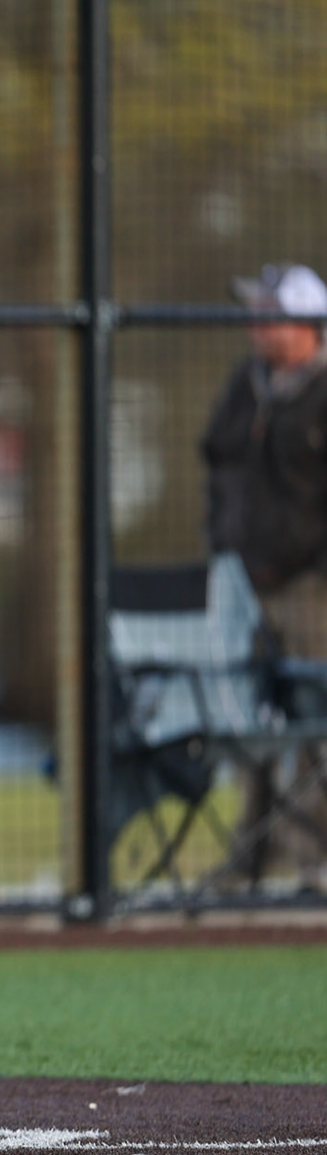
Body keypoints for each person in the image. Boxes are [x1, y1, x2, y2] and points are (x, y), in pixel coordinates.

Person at [200, 262, 327, 884]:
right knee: (247, 724)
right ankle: (251, 858)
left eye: (269, 313)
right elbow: (217, 463)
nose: (256, 325)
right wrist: (222, 541)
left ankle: (313, 860)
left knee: (312, 721)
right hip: (244, 584)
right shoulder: (245, 385)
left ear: (307, 325)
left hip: (311, 586)